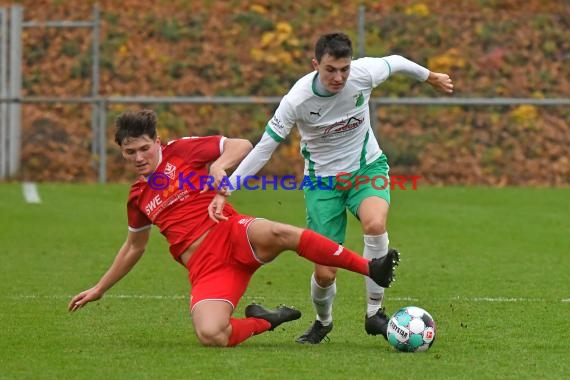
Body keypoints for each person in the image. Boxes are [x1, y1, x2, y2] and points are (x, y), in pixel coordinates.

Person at [68, 109, 400, 348]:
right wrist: (99, 288)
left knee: (280, 233)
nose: (139, 157)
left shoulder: (181, 150)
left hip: (232, 233)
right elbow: (134, 247)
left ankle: (371, 267)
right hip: (207, 268)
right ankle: (267, 320)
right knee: (211, 334)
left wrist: (218, 165)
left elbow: (240, 144)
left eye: (144, 148)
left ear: (157, 141)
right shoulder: (138, 196)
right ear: (122, 153)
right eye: (130, 152)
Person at [208, 32, 453, 344]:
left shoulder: (363, 74)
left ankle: (374, 313)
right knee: (325, 272)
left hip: (367, 169)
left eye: (344, 69)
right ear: (315, 65)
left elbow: (396, 62)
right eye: (331, 70)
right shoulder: (297, 100)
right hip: (322, 183)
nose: (339, 77)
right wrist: (228, 186)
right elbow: (264, 148)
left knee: (375, 224)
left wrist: (430, 77)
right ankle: (323, 322)